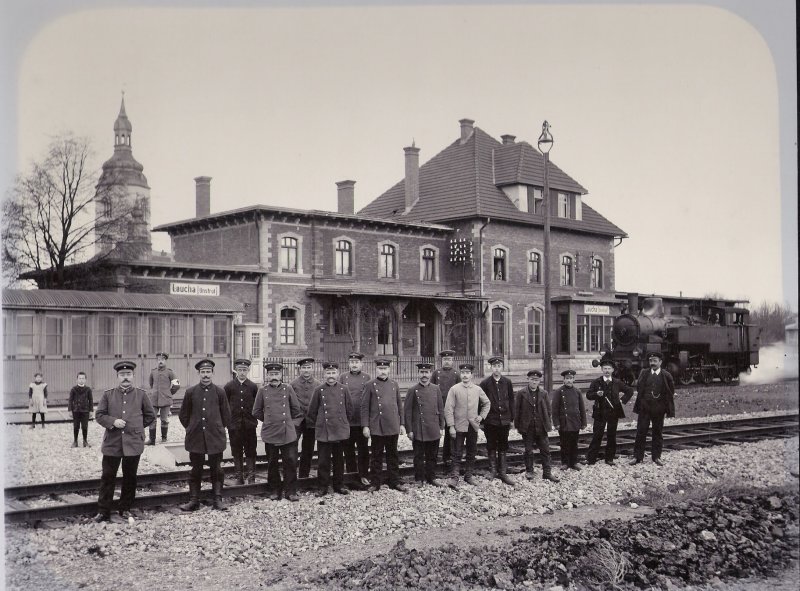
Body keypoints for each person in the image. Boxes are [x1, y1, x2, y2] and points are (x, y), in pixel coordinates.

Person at [93, 361, 156, 522]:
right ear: (117, 377)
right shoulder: (108, 394)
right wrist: (113, 422)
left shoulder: (141, 394)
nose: (125, 378)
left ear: (133, 376)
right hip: (112, 443)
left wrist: (136, 428)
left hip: (133, 443)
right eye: (122, 375)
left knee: (130, 477)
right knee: (108, 476)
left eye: (128, 375)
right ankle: (103, 511)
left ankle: (125, 508)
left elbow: (150, 416)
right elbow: (99, 415)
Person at [178, 359, 232, 512]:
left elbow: (226, 416)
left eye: (208, 372)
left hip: (215, 437)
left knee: (217, 469)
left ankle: (217, 499)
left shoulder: (220, 392)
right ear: (198, 373)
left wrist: (217, 428)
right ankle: (194, 500)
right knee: (196, 469)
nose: (206, 375)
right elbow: (183, 415)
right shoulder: (191, 392)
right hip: (196, 437)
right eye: (203, 372)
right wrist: (191, 428)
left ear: (212, 373)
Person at [252, 362, 304, 502]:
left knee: (291, 462)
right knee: (272, 463)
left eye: (276, 374)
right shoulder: (262, 391)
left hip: (287, 433)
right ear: (267, 375)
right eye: (271, 374)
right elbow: (256, 411)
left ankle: (291, 491)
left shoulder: (288, 389)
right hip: (271, 433)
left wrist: (289, 423)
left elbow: (296, 410)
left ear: (281, 375)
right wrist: (269, 420)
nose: (274, 377)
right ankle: (275, 490)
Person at [361, 359, 407, 492]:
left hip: (392, 425)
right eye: (380, 369)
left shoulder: (394, 384)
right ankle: (375, 483)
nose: (382, 371)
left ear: (389, 370)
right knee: (376, 456)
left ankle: (394, 481)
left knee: (393, 455)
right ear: (376, 370)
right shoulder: (370, 384)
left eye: (385, 369)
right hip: (377, 426)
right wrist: (365, 425)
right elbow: (364, 407)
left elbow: (399, 406)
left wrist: (402, 424)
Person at [307, 362, 352, 496]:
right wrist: (321, 424)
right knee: (323, 461)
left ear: (338, 374)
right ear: (324, 374)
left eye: (333, 373)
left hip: (339, 430)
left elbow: (349, 410)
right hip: (324, 431)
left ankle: (339, 485)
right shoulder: (318, 390)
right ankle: (322, 487)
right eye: (328, 373)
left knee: (339, 460)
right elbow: (311, 412)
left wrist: (343, 423)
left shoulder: (344, 389)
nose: (331, 376)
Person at [444, 363, 490, 488]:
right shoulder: (454, 389)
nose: (465, 375)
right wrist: (451, 426)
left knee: (472, 452)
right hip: (458, 426)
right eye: (463, 373)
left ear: (471, 375)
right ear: (460, 374)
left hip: (472, 426)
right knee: (456, 453)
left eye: (467, 373)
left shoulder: (477, 389)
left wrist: (481, 416)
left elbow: (487, 403)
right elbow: (448, 409)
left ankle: (468, 476)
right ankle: (455, 477)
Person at [585, 357, 634, 465]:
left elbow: (630, 391)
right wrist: (596, 394)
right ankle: (591, 459)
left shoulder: (617, 382)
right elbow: (588, 395)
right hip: (600, 413)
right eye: (605, 368)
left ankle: (609, 459)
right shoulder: (596, 382)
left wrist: (622, 401)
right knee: (597, 435)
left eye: (609, 369)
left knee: (612, 436)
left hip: (613, 412)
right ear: (602, 369)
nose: (607, 371)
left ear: (612, 370)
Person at [403, 362, 445, 487]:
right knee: (418, 456)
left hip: (433, 427)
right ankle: (419, 479)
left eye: (426, 372)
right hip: (419, 429)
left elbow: (440, 408)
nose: (424, 375)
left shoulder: (436, 388)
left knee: (432, 455)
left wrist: (441, 427)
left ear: (430, 373)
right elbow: (407, 412)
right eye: (422, 372)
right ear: (418, 373)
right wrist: (409, 430)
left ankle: (431, 477)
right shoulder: (412, 390)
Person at [513, 370, 559, 482]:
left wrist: (546, 422)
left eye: (537, 380)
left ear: (539, 381)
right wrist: (518, 426)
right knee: (528, 450)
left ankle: (547, 473)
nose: (534, 382)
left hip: (541, 427)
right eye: (532, 379)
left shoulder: (544, 393)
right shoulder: (521, 393)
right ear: (528, 379)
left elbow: (548, 410)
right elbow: (516, 411)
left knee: (545, 450)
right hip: (527, 427)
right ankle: (529, 471)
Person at [631, 351, 676, 466]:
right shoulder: (644, 373)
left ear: (660, 362)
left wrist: (665, 406)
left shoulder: (666, 375)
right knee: (641, 432)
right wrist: (642, 402)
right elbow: (639, 387)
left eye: (655, 361)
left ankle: (656, 457)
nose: (652, 363)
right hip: (645, 408)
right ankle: (637, 457)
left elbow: (670, 391)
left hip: (658, 409)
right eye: (651, 361)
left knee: (657, 433)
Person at [479, 356, 516, 486]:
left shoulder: (507, 382)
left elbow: (511, 400)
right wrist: (482, 420)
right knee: (491, 445)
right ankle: (493, 470)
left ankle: (503, 472)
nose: (497, 369)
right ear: (491, 368)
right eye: (494, 366)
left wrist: (512, 418)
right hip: (491, 420)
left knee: (503, 445)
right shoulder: (485, 383)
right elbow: (481, 402)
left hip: (504, 420)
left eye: (499, 366)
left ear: (502, 368)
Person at [223, 358, 259, 484]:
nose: (242, 372)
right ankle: (239, 477)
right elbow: (225, 405)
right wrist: (228, 422)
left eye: (244, 370)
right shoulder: (229, 386)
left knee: (251, 450)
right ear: (236, 371)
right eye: (239, 370)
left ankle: (251, 477)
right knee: (236, 450)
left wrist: (254, 419)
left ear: (248, 370)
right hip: (234, 425)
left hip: (249, 425)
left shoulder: (253, 386)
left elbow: (257, 405)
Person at [340, 352, 371, 488]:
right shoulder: (342, 377)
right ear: (348, 363)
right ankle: (351, 476)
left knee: (363, 450)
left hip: (362, 421)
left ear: (361, 364)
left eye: (356, 362)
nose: (354, 364)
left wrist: (367, 423)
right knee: (348, 450)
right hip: (347, 421)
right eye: (351, 362)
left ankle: (363, 475)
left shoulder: (367, 378)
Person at [289, 357, 320, 479]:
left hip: (311, 422)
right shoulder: (293, 385)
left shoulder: (318, 385)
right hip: (297, 421)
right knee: (292, 450)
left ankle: (304, 476)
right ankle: (291, 477)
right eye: (304, 368)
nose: (306, 370)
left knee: (308, 450)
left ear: (312, 369)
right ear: (299, 369)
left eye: (308, 367)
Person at [551, 369, 587, 471]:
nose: (569, 381)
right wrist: (556, 423)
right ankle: (565, 462)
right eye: (567, 378)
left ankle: (574, 462)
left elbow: (582, 408)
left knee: (574, 443)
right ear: (564, 380)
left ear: (574, 379)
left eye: (571, 378)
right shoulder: (559, 391)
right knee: (564, 443)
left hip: (575, 421)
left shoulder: (577, 391)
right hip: (564, 423)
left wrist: (583, 422)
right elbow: (554, 409)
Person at [431, 350, 459, 469]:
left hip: (451, 410)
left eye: (449, 359)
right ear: (441, 361)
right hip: (438, 409)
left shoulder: (457, 374)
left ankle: (448, 458)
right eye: (445, 360)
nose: (447, 362)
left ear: (452, 360)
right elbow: (431, 390)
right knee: (436, 434)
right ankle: (434, 457)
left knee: (450, 434)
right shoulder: (436, 373)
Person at [147, 353, 180, 445]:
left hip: (165, 400)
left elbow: (177, 385)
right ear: (156, 361)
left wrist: (169, 393)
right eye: (158, 359)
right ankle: (152, 440)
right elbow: (151, 384)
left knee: (164, 419)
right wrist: (154, 393)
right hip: (154, 400)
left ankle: (164, 439)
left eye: (162, 359)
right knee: (152, 419)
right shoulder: (153, 372)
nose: (160, 361)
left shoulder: (170, 372)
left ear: (165, 361)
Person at [68, 371, 94, 448]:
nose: (81, 380)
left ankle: (85, 441)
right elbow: (70, 400)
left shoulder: (88, 389)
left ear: (85, 380)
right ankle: (75, 441)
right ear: (77, 380)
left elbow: (91, 400)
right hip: (76, 411)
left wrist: (91, 410)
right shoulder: (73, 389)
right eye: (80, 378)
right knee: (76, 426)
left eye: (83, 378)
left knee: (85, 427)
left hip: (85, 411)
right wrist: (70, 410)